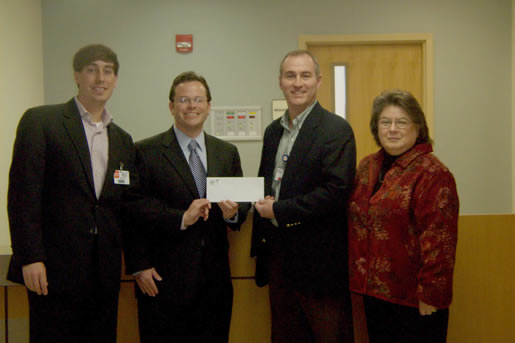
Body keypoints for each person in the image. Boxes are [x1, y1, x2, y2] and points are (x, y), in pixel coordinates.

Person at [7, 44, 136, 343]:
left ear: (116, 79)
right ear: (77, 75)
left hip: (103, 272)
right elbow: (23, 195)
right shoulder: (42, 122)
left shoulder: (121, 139)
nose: (100, 78)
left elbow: (124, 204)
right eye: (92, 69)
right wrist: (30, 257)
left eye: (108, 71)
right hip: (52, 270)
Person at [123, 71, 250, 343]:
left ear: (208, 106)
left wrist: (234, 213)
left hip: (214, 280)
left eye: (198, 99)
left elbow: (241, 200)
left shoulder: (226, 152)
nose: (191, 106)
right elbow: (132, 209)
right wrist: (139, 265)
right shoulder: (145, 151)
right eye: (183, 99)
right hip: (162, 279)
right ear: (171, 106)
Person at [252, 50, 356, 343]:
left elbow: (335, 192)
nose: (297, 83)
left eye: (305, 75)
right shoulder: (273, 132)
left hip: (320, 264)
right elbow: (265, 184)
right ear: (280, 82)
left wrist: (280, 211)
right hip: (279, 259)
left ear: (318, 81)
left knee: (328, 336)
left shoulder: (336, 129)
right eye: (290, 76)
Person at [347, 89, 459, 342]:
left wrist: (431, 294)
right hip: (373, 293)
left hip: (414, 298)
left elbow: (441, 240)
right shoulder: (367, 166)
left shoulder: (432, 173)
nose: (393, 129)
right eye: (385, 122)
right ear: (376, 128)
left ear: (417, 127)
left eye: (402, 122)